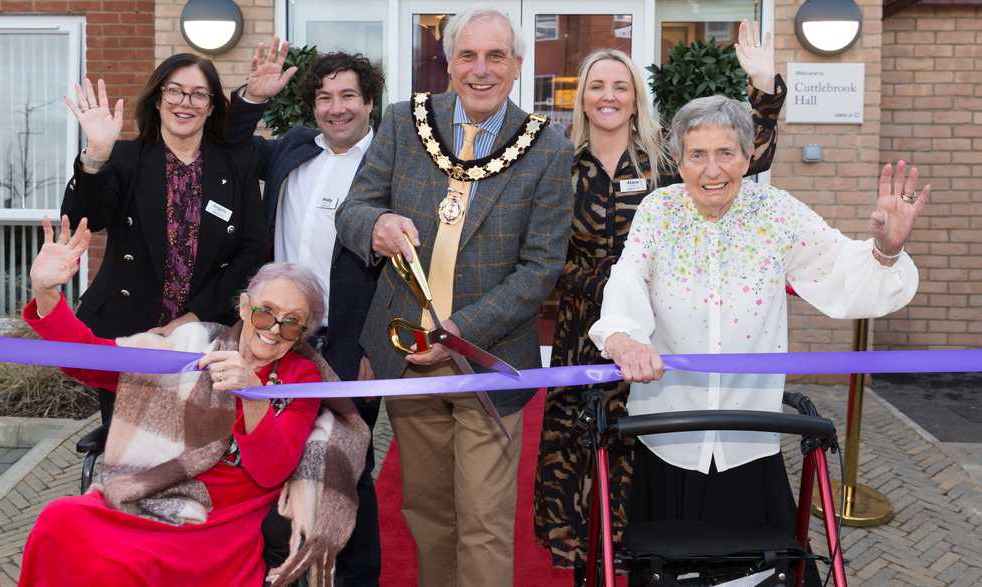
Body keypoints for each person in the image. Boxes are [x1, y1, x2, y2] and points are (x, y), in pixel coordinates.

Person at [587, 95, 928, 585]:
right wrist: (624, 338)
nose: (712, 169)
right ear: (678, 161)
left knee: (759, 572)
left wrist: (886, 250)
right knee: (668, 570)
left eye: (726, 152)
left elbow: (838, 268)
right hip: (669, 433)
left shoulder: (776, 212)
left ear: (748, 157)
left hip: (749, 436)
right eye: (697, 154)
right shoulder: (657, 212)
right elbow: (627, 281)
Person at [534, 20, 787, 579]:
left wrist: (765, 92)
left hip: (661, 338)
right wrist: (607, 286)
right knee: (579, 451)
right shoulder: (556, 164)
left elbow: (749, 160)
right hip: (583, 337)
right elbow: (544, 254)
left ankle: (648, 561)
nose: (608, 96)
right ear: (583, 98)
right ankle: (586, 560)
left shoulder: (666, 164)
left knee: (647, 453)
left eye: (620, 86)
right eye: (597, 85)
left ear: (635, 98)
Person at [335, 7, 573, 586]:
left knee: (486, 522)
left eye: (496, 56)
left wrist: (456, 333)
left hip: (487, 361)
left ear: (517, 65)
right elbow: (352, 211)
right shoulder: (403, 122)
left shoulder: (547, 148)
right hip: (407, 355)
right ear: (447, 63)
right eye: (468, 55)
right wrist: (377, 225)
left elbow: (541, 268)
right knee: (426, 514)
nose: (481, 70)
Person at [18, 216, 366, 587]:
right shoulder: (194, 345)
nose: (274, 330)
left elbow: (272, 472)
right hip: (155, 492)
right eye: (265, 312)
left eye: (292, 322)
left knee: (118, 569)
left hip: (221, 522)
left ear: (303, 332)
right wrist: (46, 294)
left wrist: (252, 396)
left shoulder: (301, 377)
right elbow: (90, 361)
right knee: (60, 521)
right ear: (245, 308)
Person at [227, 45, 387, 585]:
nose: (335, 108)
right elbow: (232, 147)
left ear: (369, 102)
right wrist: (251, 97)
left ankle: (356, 577)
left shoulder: (388, 162)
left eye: (348, 96)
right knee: (273, 456)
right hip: (276, 335)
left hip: (347, 342)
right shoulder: (293, 145)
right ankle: (281, 569)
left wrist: (373, 348)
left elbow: (400, 270)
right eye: (324, 97)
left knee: (347, 468)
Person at [61, 53, 267, 424]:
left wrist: (192, 318)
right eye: (175, 91)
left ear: (211, 107)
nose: (184, 102)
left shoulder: (236, 165)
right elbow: (82, 220)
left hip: (206, 336)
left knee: (199, 447)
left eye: (198, 94)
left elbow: (253, 251)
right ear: (158, 99)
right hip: (130, 330)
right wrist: (96, 155)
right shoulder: (124, 158)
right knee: (127, 452)